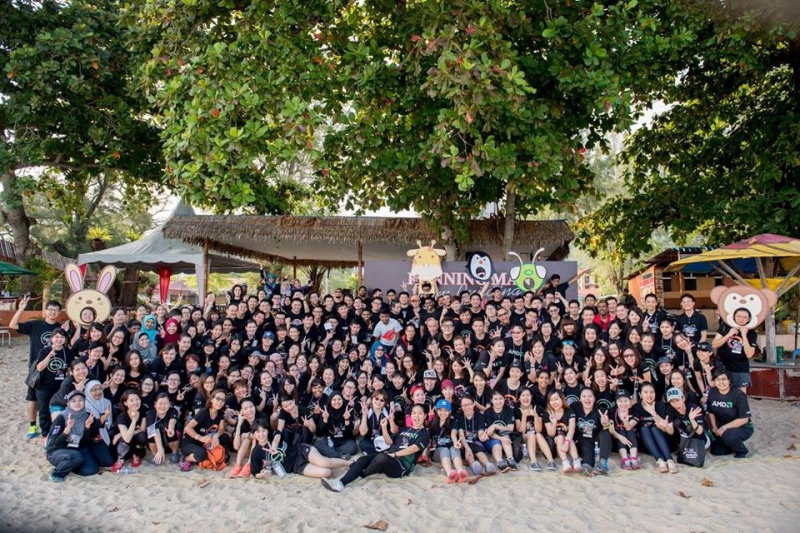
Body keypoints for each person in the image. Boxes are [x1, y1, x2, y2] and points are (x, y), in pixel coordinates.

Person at [321, 403, 431, 492]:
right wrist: (384, 428)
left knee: (381, 457)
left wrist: (394, 454)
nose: (416, 416)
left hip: (402, 466)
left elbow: (414, 448)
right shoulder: (405, 429)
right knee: (362, 459)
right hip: (389, 457)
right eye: (414, 413)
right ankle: (340, 483)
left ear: (425, 415)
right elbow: (389, 442)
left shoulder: (424, 433)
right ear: (411, 415)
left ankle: (360, 474)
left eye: (420, 413)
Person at [10, 296, 65, 439]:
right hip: (36, 368)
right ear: (45, 311)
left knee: (51, 399)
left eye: (56, 310)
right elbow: (13, 325)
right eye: (50, 310)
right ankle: (33, 425)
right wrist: (21, 307)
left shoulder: (60, 329)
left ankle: (49, 425)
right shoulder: (35, 325)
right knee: (33, 399)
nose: (53, 312)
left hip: (54, 369)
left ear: (59, 313)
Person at [45, 390, 114, 482]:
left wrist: (87, 428)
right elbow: (55, 443)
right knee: (87, 467)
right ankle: (58, 472)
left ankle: (78, 462)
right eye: (73, 401)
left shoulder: (86, 415)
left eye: (80, 400)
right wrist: (67, 430)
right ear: (68, 403)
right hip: (58, 450)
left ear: (85, 402)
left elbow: (85, 440)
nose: (77, 403)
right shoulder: (62, 418)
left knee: (107, 462)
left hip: (77, 446)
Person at [33, 328, 73, 437]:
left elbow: (70, 368)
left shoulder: (68, 352)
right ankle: (45, 434)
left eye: (62, 337)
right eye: (56, 337)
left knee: (59, 409)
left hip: (60, 387)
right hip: (44, 386)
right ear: (51, 339)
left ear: (65, 339)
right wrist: (50, 355)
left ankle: (57, 431)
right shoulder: (44, 351)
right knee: (44, 410)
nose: (59, 340)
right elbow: (40, 367)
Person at [707, 370, 754, 458]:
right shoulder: (712, 392)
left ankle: (742, 451)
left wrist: (724, 428)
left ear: (729, 381)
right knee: (716, 451)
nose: (721, 382)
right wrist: (714, 426)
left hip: (743, 427)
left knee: (728, 436)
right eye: (717, 379)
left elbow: (744, 419)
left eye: (724, 379)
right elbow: (711, 411)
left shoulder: (739, 395)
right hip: (722, 425)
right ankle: (730, 444)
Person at [712, 309, 757, 392]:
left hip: (740, 368)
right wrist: (728, 335)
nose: (741, 319)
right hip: (724, 367)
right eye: (739, 316)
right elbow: (714, 344)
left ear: (749, 319)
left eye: (744, 317)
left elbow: (749, 354)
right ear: (734, 316)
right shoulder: (725, 326)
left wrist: (744, 335)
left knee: (741, 395)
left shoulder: (752, 332)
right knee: (724, 393)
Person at [428, 398, 468, 483]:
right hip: (438, 452)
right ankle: (450, 473)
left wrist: (455, 442)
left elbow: (453, 432)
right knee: (445, 450)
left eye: (445, 410)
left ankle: (460, 471)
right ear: (436, 410)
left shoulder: (453, 421)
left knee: (454, 448)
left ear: (449, 412)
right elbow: (428, 439)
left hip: (452, 450)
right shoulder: (432, 423)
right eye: (440, 410)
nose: (443, 413)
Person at [112, 390, 148, 473]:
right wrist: (134, 420)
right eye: (131, 400)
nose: (135, 402)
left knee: (142, 436)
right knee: (123, 439)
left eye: (137, 399)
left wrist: (123, 433)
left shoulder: (143, 411)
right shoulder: (122, 417)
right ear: (125, 403)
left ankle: (136, 454)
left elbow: (142, 429)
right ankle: (120, 459)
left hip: (135, 442)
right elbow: (127, 439)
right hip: (122, 444)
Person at [608, 389, 641, 470]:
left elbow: (629, 427)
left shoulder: (634, 412)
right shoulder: (611, 412)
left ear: (629, 400)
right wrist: (620, 437)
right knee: (621, 430)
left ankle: (633, 459)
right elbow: (611, 430)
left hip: (632, 440)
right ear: (616, 402)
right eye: (620, 401)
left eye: (626, 400)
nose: (623, 404)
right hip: (617, 441)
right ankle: (625, 459)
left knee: (629, 430)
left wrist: (625, 421)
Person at [146, 393, 181, 467]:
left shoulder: (173, 410)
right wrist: (160, 449)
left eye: (165, 404)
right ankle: (155, 454)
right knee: (151, 432)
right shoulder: (151, 414)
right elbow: (154, 430)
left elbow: (173, 420)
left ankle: (174, 452)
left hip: (169, 439)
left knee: (174, 430)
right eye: (160, 403)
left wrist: (171, 428)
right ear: (155, 404)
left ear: (170, 404)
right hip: (157, 440)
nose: (162, 406)